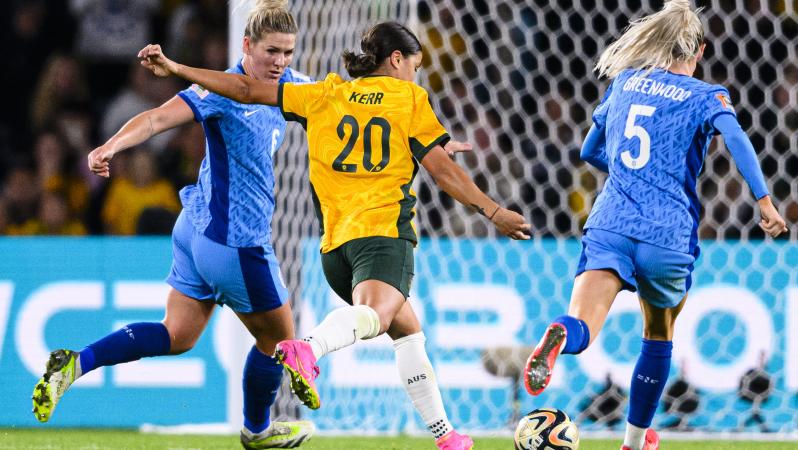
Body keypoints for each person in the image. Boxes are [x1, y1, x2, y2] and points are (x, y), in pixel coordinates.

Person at [137, 20, 531, 450]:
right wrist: (494, 211)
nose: (415, 76)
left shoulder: (325, 93)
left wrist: (179, 68)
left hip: (335, 250)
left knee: (407, 331)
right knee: (376, 316)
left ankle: (446, 435)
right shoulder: (409, 99)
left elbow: (245, 90)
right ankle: (309, 348)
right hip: (383, 237)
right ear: (396, 60)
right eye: (414, 66)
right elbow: (442, 172)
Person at [32, 1, 316, 448]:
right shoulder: (220, 90)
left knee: (177, 335)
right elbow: (156, 118)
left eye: (287, 52)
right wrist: (110, 146)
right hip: (234, 241)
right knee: (280, 342)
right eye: (271, 51)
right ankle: (257, 431)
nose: (280, 62)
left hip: (195, 231)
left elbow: (335, 100)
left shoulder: (291, 85)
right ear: (247, 45)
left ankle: (76, 362)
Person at [520, 2, 788, 450]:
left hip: (611, 223)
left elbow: (589, 151)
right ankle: (633, 442)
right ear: (700, 50)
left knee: (584, 324)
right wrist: (764, 200)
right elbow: (737, 138)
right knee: (658, 337)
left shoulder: (625, 81)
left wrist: (630, 175)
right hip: (667, 235)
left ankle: (562, 334)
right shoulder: (706, 95)